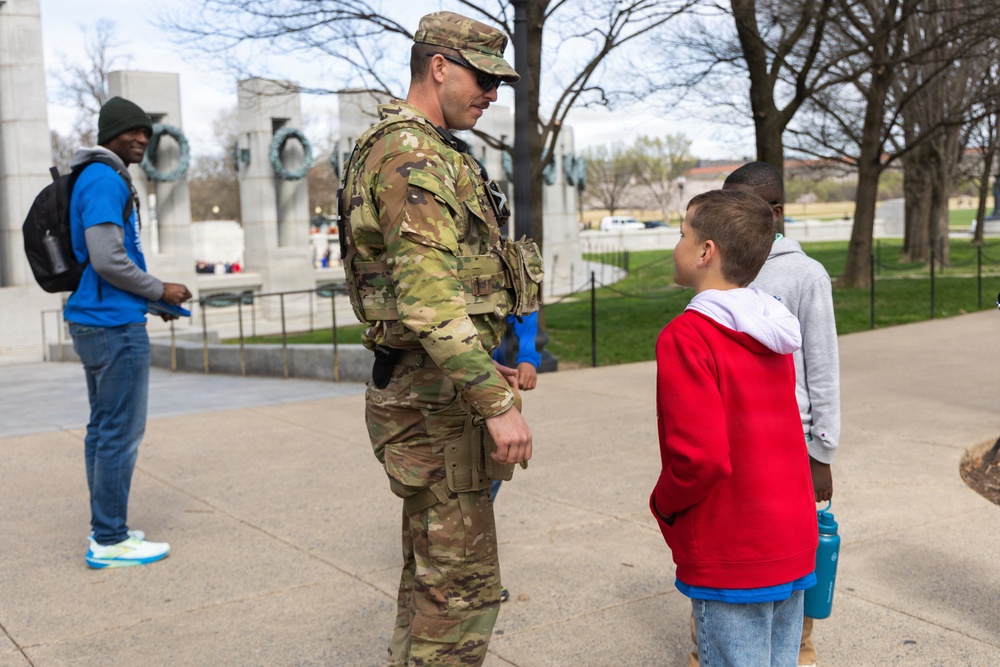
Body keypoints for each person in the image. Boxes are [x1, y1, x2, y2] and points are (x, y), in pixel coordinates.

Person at [339, 11, 537, 666]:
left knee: (433, 583)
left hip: (436, 391)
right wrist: (497, 404)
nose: (492, 94)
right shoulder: (413, 155)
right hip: (433, 407)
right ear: (440, 67)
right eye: (484, 78)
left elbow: (443, 290)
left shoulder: (421, 148)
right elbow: (428, 300)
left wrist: (487, 371)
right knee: (460, 595)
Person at [651, 189, 818, 667]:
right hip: (790, 534)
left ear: (706, 252)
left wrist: (663, 504)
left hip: (733, 545)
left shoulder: (688, 336)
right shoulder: (773, 328)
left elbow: (699, 458)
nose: (676, 245)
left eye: (682, 234)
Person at [722, 161, 841, 667]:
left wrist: (822, 451)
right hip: (729, 442)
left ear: (775, 212)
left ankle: (798, 649)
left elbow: (823, 370)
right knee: (730, 553)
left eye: (743, 209)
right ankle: (711, 647)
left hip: (789, 445)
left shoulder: (805, 274)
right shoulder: (722, 266)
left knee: (794, 554)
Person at [66, 96, 192, 569]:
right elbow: (107, 259)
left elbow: (108, 268)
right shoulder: (103, 179)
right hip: (112, 327)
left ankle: (107, 526)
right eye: (131, 131)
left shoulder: (99, 177)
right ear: (109, 134)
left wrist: (154, 302)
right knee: (119, 432)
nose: (141, 138)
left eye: (146, 131)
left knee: (103, 430)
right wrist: (161, 287)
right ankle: (111, 538)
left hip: (103, 317)